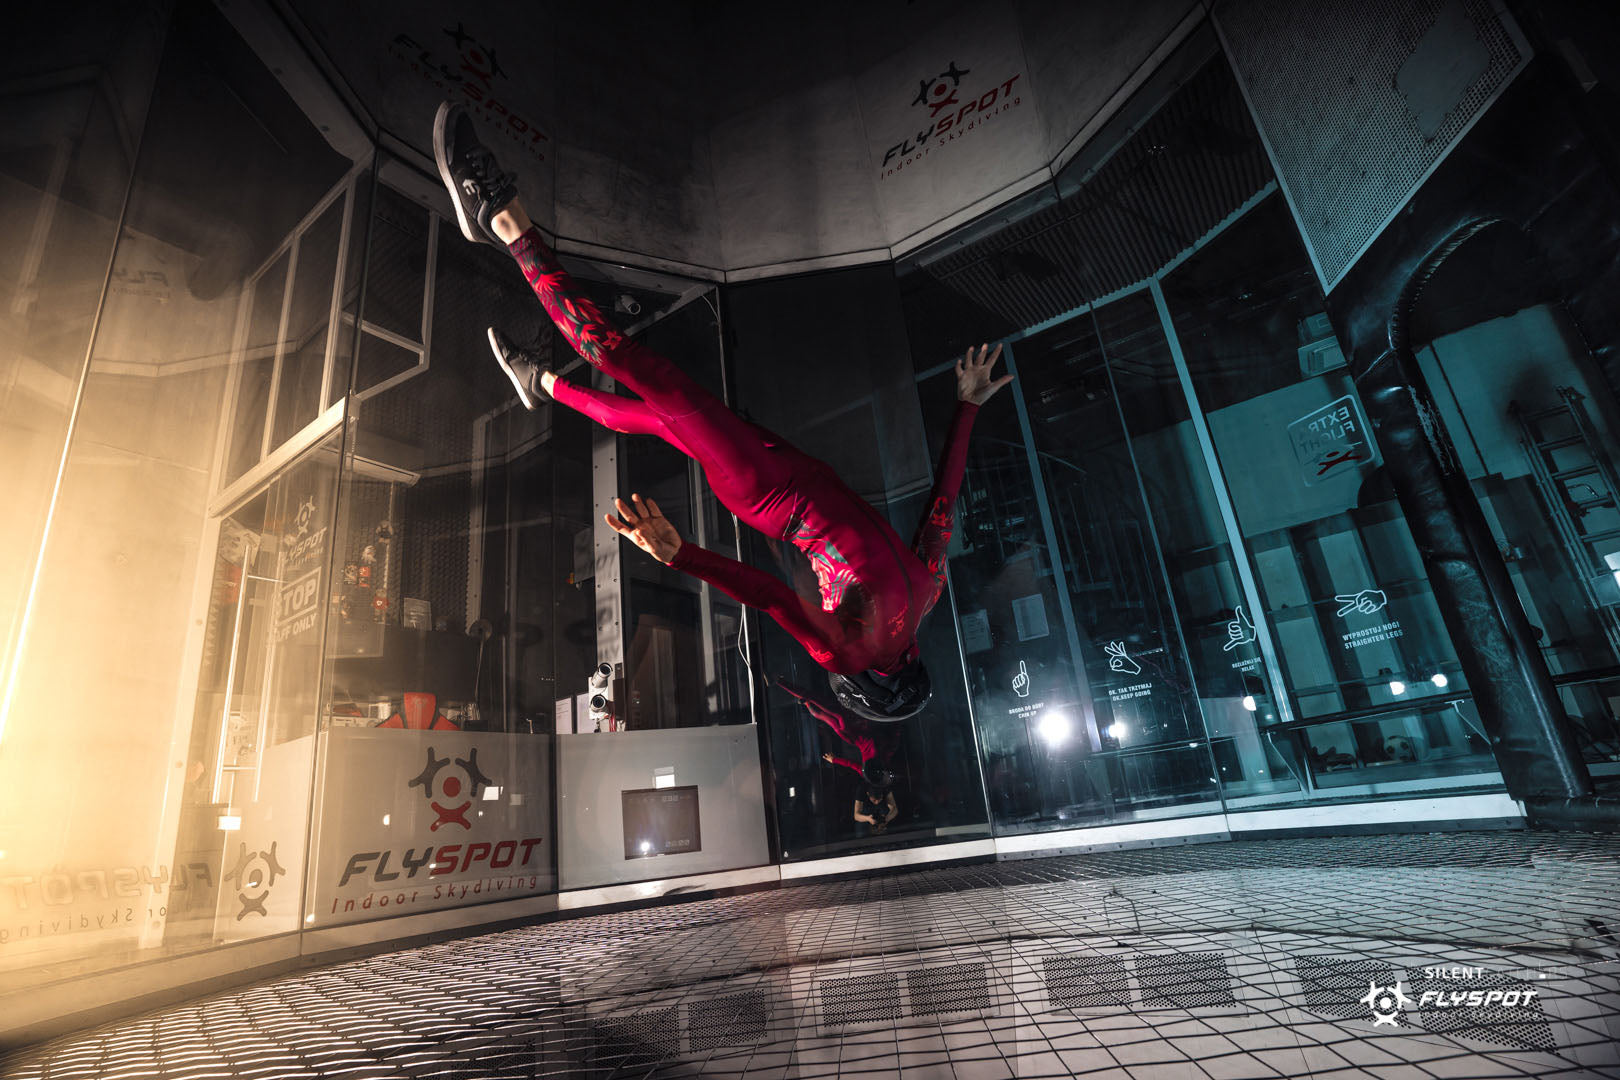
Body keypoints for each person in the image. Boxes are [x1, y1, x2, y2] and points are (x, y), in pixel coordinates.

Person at [432, 102, 1013, 721]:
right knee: (655, 412)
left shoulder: (926, 593)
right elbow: (772, 596)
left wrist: (967, 407)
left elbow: (940, 507)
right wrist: (683, 556)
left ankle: (502, 218)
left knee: (637, 367)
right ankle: (542, 383)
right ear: (868, 686)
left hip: (767, 486)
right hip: (773, 477)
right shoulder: (857, 650)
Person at [778, 679, 902, 833]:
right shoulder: (886, 755)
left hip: (853, 733)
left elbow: (852, 765)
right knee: (829, 715)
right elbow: (895, 734)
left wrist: (834, 760)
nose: (876, 801)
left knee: (830, 716)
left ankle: (790, 689)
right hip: (858, 726)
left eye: (873, 800)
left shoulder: (867, 773)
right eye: (878, 799)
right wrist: (897, 716)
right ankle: (804, 699)